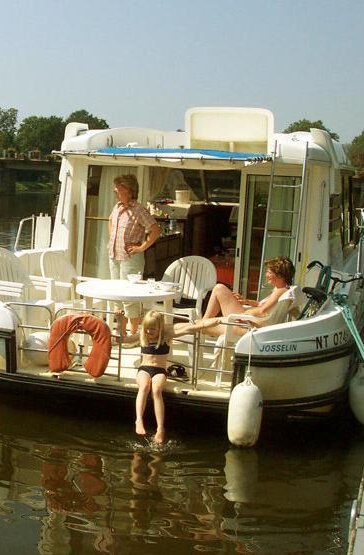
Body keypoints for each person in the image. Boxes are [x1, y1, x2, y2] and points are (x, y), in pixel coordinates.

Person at [173, 256, 295, 338]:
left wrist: (245, 315)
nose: (266, 274)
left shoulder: (281, 290)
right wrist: (247, 301)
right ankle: (201, 322)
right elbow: (263, 306)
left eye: (269, 272)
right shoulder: (282, 289)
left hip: (250, 326)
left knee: (219, 289)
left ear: (279, 275)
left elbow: (262, 311)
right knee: (218, 290)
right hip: (251, 322)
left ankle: (199, 323)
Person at [108, 174, 161, 342]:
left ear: (129, 190)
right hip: (115, 256)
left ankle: (134, 335)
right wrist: (112, 241)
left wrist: (141, 247)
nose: (115, 190)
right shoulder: (117, 207)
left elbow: (155, 230)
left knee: (130, 297)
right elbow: (110, 222)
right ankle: (121, 332)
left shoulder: (138, 209)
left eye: (119, 188)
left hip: (131, 259)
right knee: (117, 295)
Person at [135, 310, 172, 444]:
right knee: (144, 386)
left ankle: (160, 428)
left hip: (159, 370)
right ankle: (139, 419)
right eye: (147, 329)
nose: (149, 332)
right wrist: (119, 319)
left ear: (160, 328)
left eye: (153, 329)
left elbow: (190, 328)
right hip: (144, 369)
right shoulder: (142, 337)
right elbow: (122, 338)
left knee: (156, 390)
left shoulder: (165, 338)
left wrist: (213, 322)